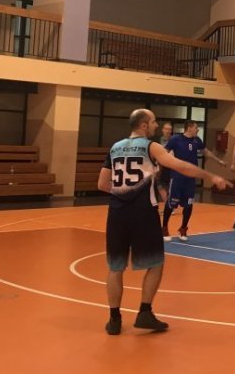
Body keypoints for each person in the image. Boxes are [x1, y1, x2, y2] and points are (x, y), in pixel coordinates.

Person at [97, 108, 228, 336]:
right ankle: (144, 312)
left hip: (117, 213)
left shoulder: (115, 147)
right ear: (144, 125)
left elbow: (102, 184)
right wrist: (210, 176)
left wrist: (123, 193)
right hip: (143, 213)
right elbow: (180, 166)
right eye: (154, 122)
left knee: (115, 267)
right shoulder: (151, 147)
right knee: (156, 263)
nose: (157, 125)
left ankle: (114, 319)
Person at [161, 120, 227, 241]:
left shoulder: (197, 140)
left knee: (189, 203)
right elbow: (163, 153)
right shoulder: (176, 139)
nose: (198, 129)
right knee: (171, 203)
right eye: (196, 127)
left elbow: (206, 152)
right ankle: (164, 228)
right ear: (189, 128)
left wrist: (219, 161)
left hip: (190, 178)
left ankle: (183, 228)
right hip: (177, 176)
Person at [156, 122, 174, 202]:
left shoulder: (174, 140)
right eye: (166, 129)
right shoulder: (157, 141)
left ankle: (169, 203)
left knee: (170, 187)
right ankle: (166, 202)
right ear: (162, 130)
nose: (168, 131)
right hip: (160, 167)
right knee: (160, 186)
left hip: (171, 166)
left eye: (169, 129)